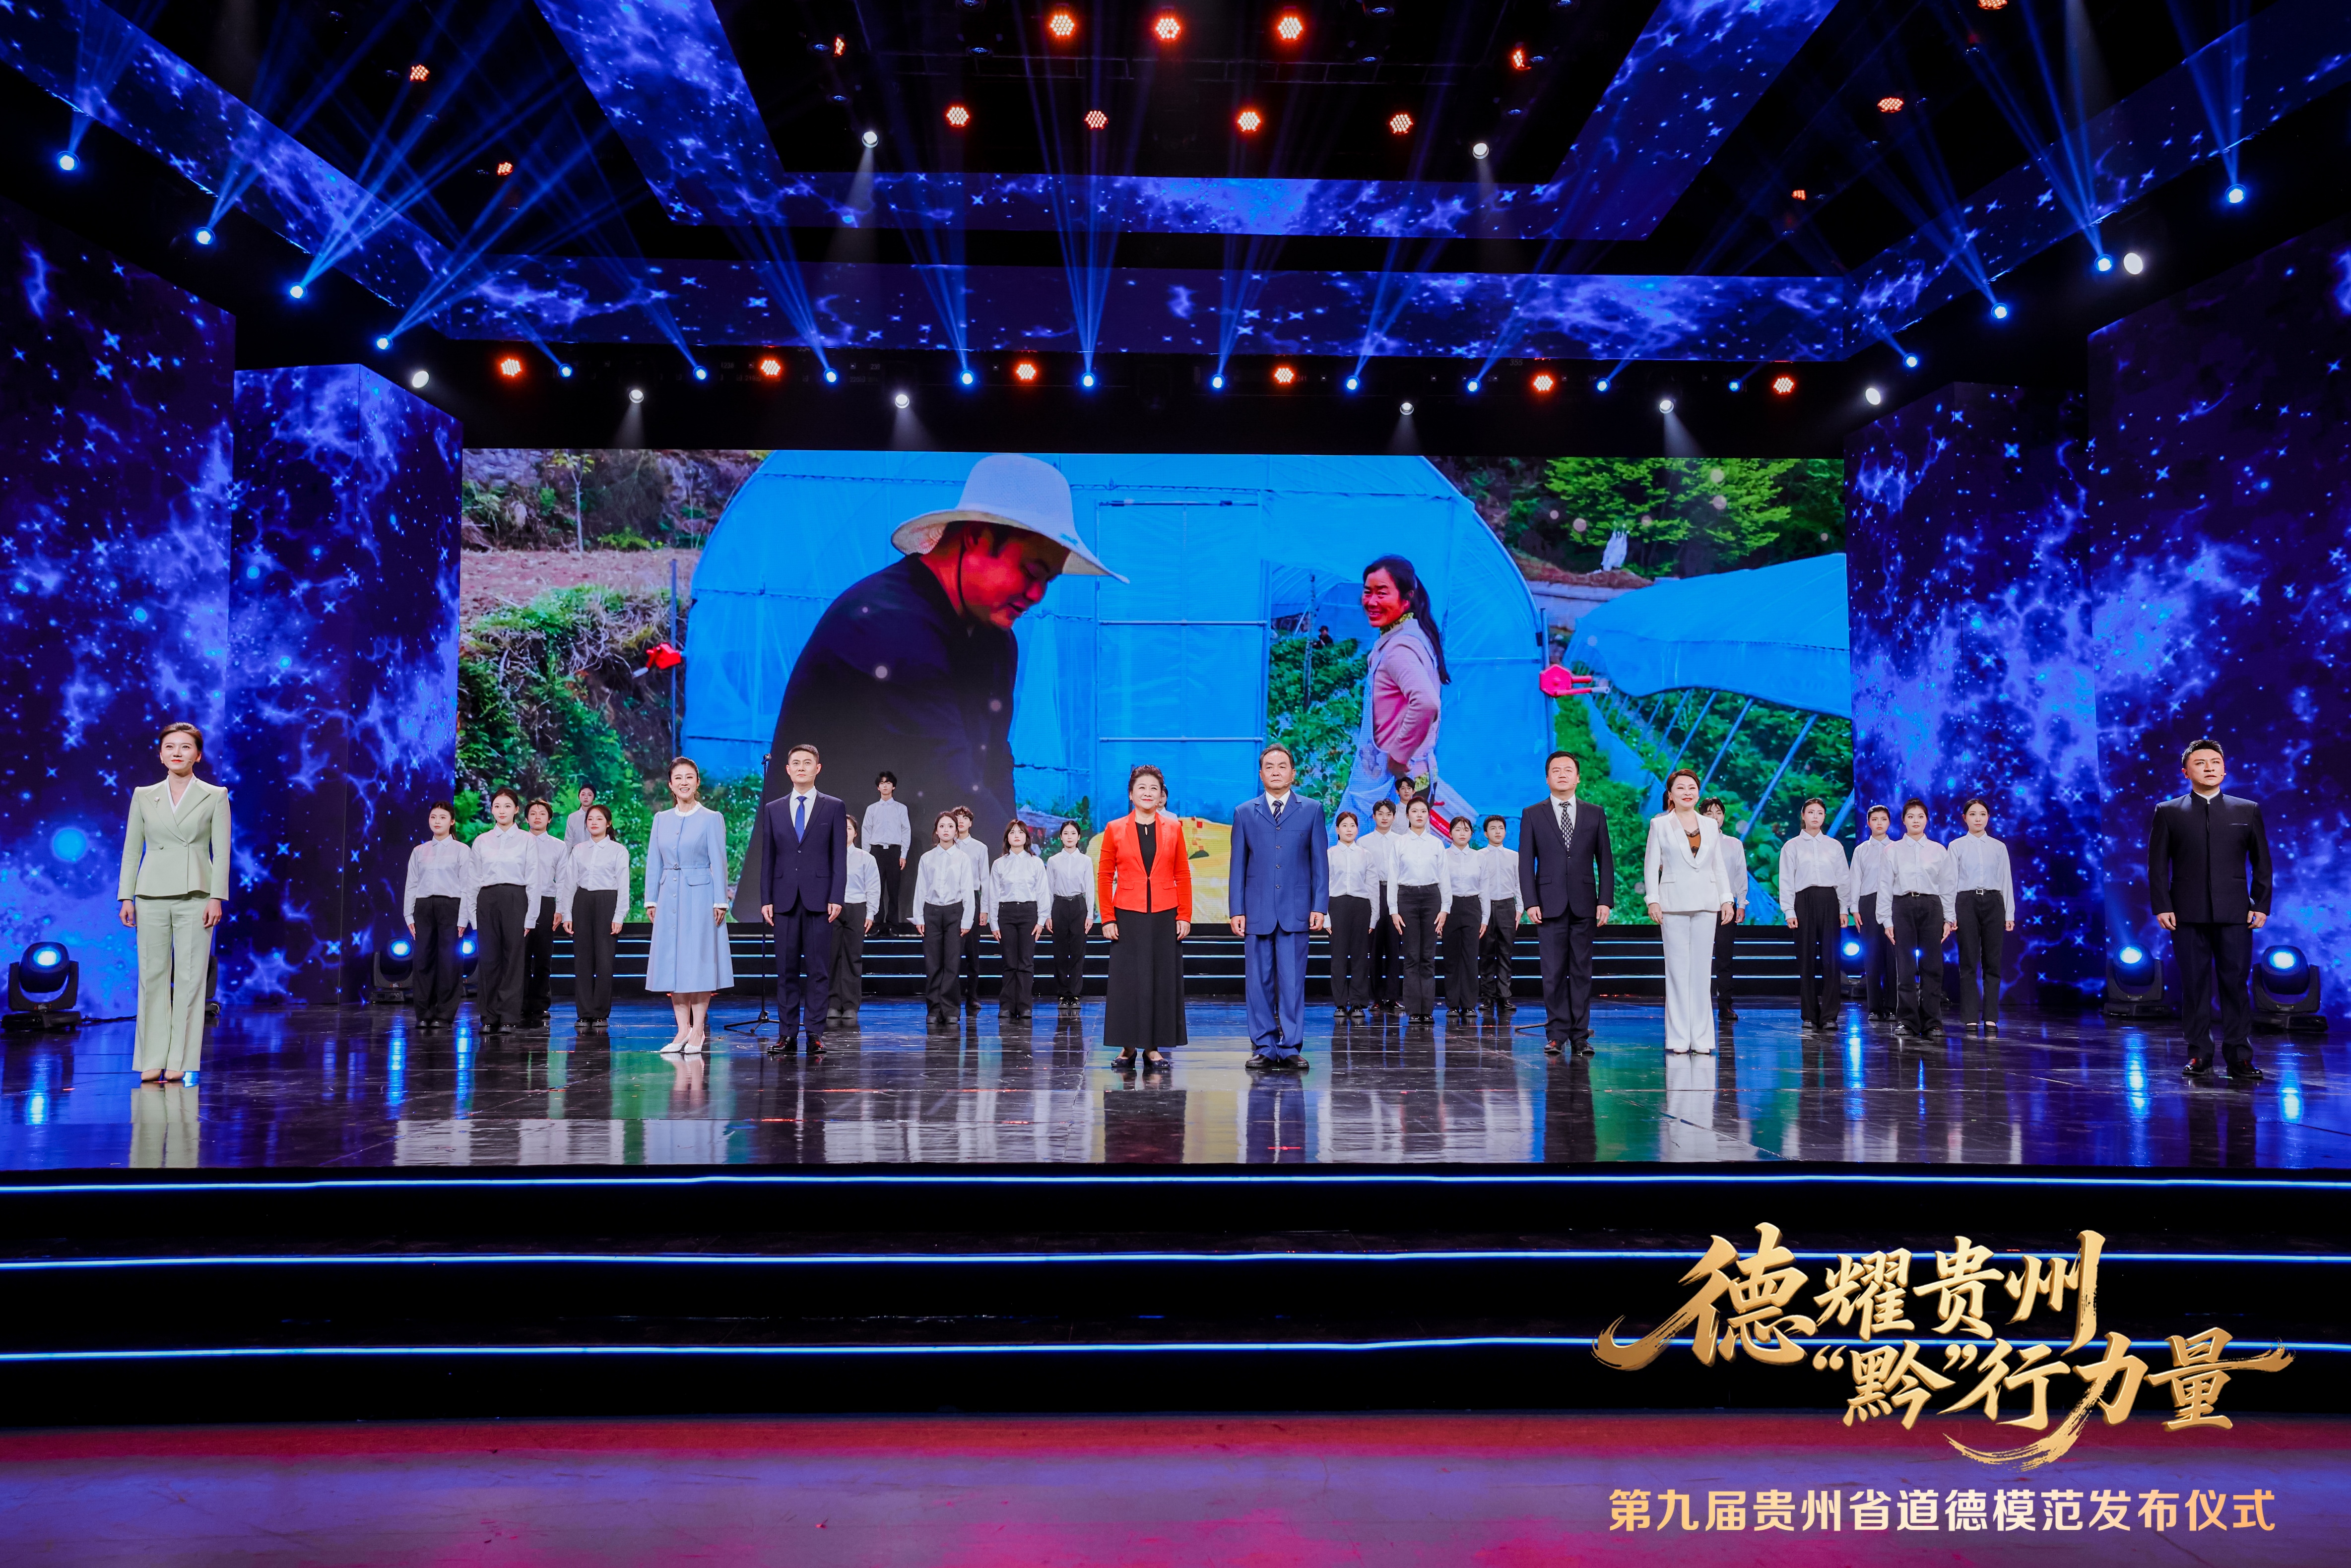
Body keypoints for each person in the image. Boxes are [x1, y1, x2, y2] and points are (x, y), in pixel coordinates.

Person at [743, 454, 1122, 918]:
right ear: (976, 537)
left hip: (920, 889)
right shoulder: (888, 625)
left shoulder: (996, 640)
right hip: (823, 893)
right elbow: (946, 776)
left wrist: (1010, 861)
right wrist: (1020, 880)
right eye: (1030, 570)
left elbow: (993, 762)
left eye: (1048, 579)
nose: (1037, 594)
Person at [2147, 739, 2272, 1081]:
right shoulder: (2168, 811)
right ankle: (2199, 1053)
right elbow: (2157, 865)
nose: (2209, 768)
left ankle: (2240, 1057)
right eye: (2200, 763)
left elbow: (2262, 863)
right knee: (2194, 985)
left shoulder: (2247, 809)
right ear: (2186, 772)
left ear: (2225, 769)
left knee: (2235, 984)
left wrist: (2261, 904)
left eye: (2215, 762)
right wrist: (2162, 905)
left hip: (2236, 913)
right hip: (2186, 914)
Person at [117, 721, 230, 1082]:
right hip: (150, 894)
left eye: (185, 747)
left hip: (197, 895)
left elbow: (221, 852)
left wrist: (217, 896)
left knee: (191, 979)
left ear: (198, 755)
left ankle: (179, 1058)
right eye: (170, 746)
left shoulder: (215, 795)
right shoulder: (143, 795)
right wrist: (126, 896)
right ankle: (151, 1058)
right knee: (152, 976)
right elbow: (132, 849)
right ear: (161, 754)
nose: (177, 752)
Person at [1339, 556, 1475, 831]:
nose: (1372, 602)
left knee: (1362, 852)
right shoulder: (1411, 635)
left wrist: (1399, 756)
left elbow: (1426, 703)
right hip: (1414, 775)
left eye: (1382, 593)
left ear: (1406, 598)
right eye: (1368, 592)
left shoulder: (1399, 648)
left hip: (1398, 781)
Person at [1228, 743, 1329, 1070]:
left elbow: (1320, 863)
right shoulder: (1245, 812)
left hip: (1296, 909)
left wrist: (1320, 905)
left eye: (1282, 766)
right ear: (1261, 774)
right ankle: (1264, 1046)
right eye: (1269, 767)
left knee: (1293, 982)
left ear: (1293, 773)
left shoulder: (1312, 810)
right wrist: (1236, 909)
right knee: (1258, 983)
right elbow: (1238, 866)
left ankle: (1290, 1047)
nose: (1275, 771)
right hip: (1256, 910)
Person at [1518, 750, 1615, 1058]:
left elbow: (1606, 860)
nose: (1562, 774)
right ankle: (1557, 1035)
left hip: (1585, 903)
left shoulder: (1594, 813)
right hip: (1548, 905)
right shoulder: (1533, 814)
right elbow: (1525, 863)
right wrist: (1530, 901)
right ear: (1547, 778)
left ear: (1578, 778)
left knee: (1582, 971)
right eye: (1556, 770)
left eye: (1568, 770)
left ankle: (1580, 1036)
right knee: (1553, 972)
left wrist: (1605, 900)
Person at [1098, 763, 1193, 1072]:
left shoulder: (1174, 828)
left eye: (1154, 788)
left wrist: (1185, 914)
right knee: (1127, 982)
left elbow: (1183, 873)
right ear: (1131, 794)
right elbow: (1105, 875)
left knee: (1160, 980)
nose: (1148, 793)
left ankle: (1153, 1047)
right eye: (1142, 788)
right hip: (1127, 914)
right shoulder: (1115, 829)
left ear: (1161, 795)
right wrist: (1108, 918)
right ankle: (1128, 1047)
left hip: (1165, 914)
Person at [760, 743, 849, 1057]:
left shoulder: (833, 807)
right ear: (788, 770)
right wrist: (766, 898)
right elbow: (768, 857)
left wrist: (837, 895)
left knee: (818, 970)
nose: (801, 767)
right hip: (783, 899)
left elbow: (839, 857)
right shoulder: (773, 809)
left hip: (820, 900)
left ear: (817, 768)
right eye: (795, 763)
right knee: (785, 970)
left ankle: (815, 1033)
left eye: (807, 762)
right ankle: (787, 1034)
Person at [1643, 768, 1740, 1056]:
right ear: (1671, 794)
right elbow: (1651, 865)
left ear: (1698, 793)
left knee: (1701, 971)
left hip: (1707, 903)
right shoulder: (1660, 824)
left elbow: (1718, 866)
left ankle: (1701, 1037)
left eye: (1692, 788)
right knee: (1676, 971)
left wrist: (1726, 900)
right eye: (1681, 788)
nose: (1687, 792)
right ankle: (1678, 1037)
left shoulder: (1709, 825)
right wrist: (1653, 900)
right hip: (1673, 903)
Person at [646, 756, 733, 1054]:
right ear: (671, 785)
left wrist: (720, 899)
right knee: (673, 962)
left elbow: (719, 861)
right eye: (678, 778)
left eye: (689, 777)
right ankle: (682, 1030)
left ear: (697, 782)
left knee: (698, 961)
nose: (684, 783)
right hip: (669, 894)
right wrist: (651, 898)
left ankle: (698, 1031)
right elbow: (654, 861)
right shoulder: (661, 819)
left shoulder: (711, 818)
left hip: (700, 895)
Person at [1875, 799, 1956, 1038]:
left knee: (1933, 966)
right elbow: (1884, 887)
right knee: (1906, 966)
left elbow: (1948, 886)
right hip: (1903, 906)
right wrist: (1886, 920)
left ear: (1927, 820)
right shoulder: (1892, 851)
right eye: (1911, 816)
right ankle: (1908, 1021)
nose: (1916, 821)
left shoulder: (1939, 851)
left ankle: (1932, 1021)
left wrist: (1949, 918)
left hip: (1932, 906)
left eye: (1920, 816)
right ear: (1904, 821)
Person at [470, 787, 547, 1037]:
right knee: (489, 959)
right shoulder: (482, 841)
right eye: (497, 806)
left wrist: (531, 916)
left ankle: (508, 1016)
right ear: (492, 810)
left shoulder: (527, 840)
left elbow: (534, 880)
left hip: (516, 898)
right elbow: (472, 881)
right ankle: (489, 1015)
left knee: (513, 959)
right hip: (487, 899)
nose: (501, 811)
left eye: (507, 806)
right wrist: (473, 915)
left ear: (516, 810)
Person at [1778, 797, 1851, 1033]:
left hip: (1829, 900)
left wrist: (1844, 908)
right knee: (1806, 959)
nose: (1816, 817)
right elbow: (1786, 880)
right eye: (1811, 812)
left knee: (1831, 960)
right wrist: (1789, 910)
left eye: (1820, 813)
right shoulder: (1792, 846)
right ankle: (1809, 1014)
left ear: (1824, 817)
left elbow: (1843, 879)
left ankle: (1830, 1016)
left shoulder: (1834, 846)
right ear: (1803, 815)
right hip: (1803, 901)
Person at [403, 802, 475, 1030]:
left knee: (449, 961)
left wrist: (464, 918)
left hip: (451, 906)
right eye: (434, 817)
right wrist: (409, 915)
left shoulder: (462, 850)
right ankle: (424, 1013)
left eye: (443, 818)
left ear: (452, 822)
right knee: (423, 959)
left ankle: (444, 1014)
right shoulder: (420, 851)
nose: (437, 821)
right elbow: (411, 884)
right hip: (424, 907)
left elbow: (467, 886)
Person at [557, 803, 628, 1032]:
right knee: (583, 960)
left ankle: (600, 1013)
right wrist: (567, 913)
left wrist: (619, 915)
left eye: (599, 819)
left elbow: (624, 886)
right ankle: (585, 1013)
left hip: (607, 902)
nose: (594, 823)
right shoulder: (579, 850)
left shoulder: (618, 850)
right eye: (590, 819)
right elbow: (569, 884)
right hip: (582, 902)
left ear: (608, 823)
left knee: (605, 960)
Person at [1950, 797, 2017, 1036]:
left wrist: (2009, 913)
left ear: (1988, 818)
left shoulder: (1998, 847)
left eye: (1982, 814)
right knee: (1968, 961)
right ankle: (1970, 1016)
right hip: (1966, 901)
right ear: (1964, 818)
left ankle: (1991, 1017)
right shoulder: (1956, 846)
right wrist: (1950, 914)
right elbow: (1950, 882)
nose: (1978, 819)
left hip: (1993, 902)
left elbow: (2006, 880)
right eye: (1973, 814)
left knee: (1993, 962)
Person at [1384, 796, 1451, 1028]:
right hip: (1407, 898)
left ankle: (1427, 1010)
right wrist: (1394, 910)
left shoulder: (1436, 844)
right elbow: (1393, 877)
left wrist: (1445, 908)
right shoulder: (1400, 843)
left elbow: (1444, 878)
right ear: (1408, 815)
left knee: (1428, 957)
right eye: (1415, 811)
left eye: (1424, 811)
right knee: (1412, 956)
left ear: (1428, 815)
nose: (1419, 815)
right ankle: (1414, 1010)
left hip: (1432, 898)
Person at [914, 810, 979, 1027]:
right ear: (936, 830)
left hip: (954, 913)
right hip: (932, 913)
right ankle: (934, 1009)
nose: (946, 830)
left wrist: (967, 920)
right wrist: (919, 917)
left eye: (951, 826)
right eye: (942, 826)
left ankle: (951, 1009)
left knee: (952, 963)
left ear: (956, 830)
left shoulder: (963, 858)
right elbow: (920, 889)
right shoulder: (927, 858)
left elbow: (968, 891)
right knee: (933, 964)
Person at [985, 820, 1048, 1022]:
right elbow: (993, 895)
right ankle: (1007, 1006)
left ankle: (1024, 1006)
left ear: (1026, 838)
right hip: (1007, 913)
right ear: (1007, 838)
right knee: (1009, 962)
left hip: (1029, 913)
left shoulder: (1036, 862)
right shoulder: (999, 864)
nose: (1016, 836)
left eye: (1021, 833)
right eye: (1012, 833)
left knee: (1026, 962)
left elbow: (1043, 893)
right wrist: (994, 923)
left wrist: (1041, 920)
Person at [829, 814, 880, 1030]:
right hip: (831, 908)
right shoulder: (827, 856)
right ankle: (833, 1003)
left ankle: (850, 1005)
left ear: (856, 833)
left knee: (852, 957)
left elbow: (874, 887)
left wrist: (871, 913)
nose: (845, 832)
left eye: (849, 829)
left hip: (857, 908)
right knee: (831, 957)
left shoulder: (865, 858)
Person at [1325, 810, 1376, 1022]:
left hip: (1361, 906)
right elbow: (1323, 886)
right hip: (1336, 906)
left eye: (1353, 826)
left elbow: (1373, 888)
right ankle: (1340, 1003)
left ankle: (1358, 1003)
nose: (1349, 829)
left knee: (1360, 957)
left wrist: (1374, 917)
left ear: (1358, 829)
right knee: (1338, 958)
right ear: (1337, 830)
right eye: (1345, 826)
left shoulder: (1366, 855)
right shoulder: (1329, 854)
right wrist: (1325, 916)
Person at [1699, 798, 1748, 1022]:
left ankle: (1725, 1005)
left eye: (1718, 812)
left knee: (1724, 958)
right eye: (1709, 813)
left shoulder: (1733, 844)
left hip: (1726, 906)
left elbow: (1740, 875)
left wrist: (1741, 903)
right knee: (1699, 958)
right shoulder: (1693, 842)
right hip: (1699, 904)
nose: (1715, 817)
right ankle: (1698, 1006)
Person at [521, 800, 568, 1027]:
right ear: (526, 818)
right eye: (533, 813)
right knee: (520, 956)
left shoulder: (559, 846)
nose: (537, 817)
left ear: (550, 819)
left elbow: (563, 880)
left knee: (542, 956)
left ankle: (539, 1004)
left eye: (542, 814)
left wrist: (560, 909)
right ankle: (520, 1003)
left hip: (546, 902)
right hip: (520, 901)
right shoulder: (518, 843)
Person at [1850, 805, 1897, 1018]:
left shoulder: (1897, 848)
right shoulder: (1861, 850)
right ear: (1868, 823)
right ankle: (1876, 1009)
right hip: (1868, 903)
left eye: (1884, 819)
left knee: (1894, 956)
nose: (1880, 823)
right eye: (1875, 819)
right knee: (1871, 956)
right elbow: (1855, 880)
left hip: (1894, 903)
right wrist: (1854, 908)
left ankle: (1894, 1006)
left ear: (1889, 823)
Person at [1044, 821, 1096, 1008]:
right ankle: (1062, 994)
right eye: (1066, 833)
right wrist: (1048, 915)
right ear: (1061, 837)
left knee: (1077, 952)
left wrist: (1090, 915)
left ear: (1079, 837)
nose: (1069, 837)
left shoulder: (1086, 861)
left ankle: (1074, 995)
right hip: (1059, 905)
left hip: (1078, 906)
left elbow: (1090, 888)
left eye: (1073, 833)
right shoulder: (1053, 861)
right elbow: (1048, 889)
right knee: (1059, 952)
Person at [1439, 814, 1486, 1021]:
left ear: (1471, 834)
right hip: (1450, 907)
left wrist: (1485, 918)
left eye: (1466, 830)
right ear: (1450, 833)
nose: (1462, 833)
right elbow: (1439, 886)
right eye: (1458, 829)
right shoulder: (1443, 856)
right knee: (1451, 958)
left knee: (1470, 958)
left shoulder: (1479, 857)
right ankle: (1452, 1004)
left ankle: (1468, 1005)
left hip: (1472, 907)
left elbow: (1485, 889)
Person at [1363, 799, 1404, 1015]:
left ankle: (1393, 997)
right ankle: (1378, 998)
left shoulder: (1401, 841)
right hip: (1373, 893)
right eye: (1381, 814)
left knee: (1394, 949)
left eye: (1389, 814)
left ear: (1394, 817)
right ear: (1374, 816)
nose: (1385, 818)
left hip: (1396, 893)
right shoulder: (1363, 842)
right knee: (1375, 949)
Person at [1477, 816, 1520, 1019]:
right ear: (1486, 833)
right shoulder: (1479, 856)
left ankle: (1504, 996)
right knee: (1486, 954)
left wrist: (1520, 909)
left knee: (1505, 953)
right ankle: (1487, 997)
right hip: (1485, 907)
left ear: (1505, 832)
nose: (1497, 832)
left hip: (1507, 906)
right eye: (1493, 829)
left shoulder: (1514, 856)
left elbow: (1519, 884)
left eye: (1501, 828)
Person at [951, 806, 991, 1011]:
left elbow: (985, 879)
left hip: (973, 898)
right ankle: (951, 996)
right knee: (952, 950)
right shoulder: (947, 846)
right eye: (957, 818)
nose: (961, 821)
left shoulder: (980, 848)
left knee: (972, 951)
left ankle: (972, 996)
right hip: (952, 899)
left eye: (965, 818)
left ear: (971, 823)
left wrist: (984, 909)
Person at [863, 771, 912, 935]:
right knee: (876, 889)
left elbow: (906, 831)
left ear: (894, 786)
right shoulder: (872, 809)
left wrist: (903, 854)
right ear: (878, 787)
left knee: (893, 890)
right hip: (876, 852)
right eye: (882, 783)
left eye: (888, 783)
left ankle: (893, 925)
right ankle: (876, 924)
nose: (885, 786)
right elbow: (866, 831)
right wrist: (867, 855)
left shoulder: (901, 809)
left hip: (894, 852)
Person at [563, 785, 596, 849]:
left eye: (589, 795)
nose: (586, 797)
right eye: (583, 795)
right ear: (579, 797)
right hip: (577, 852)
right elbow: (569, 840)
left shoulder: (598, 816)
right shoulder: (572, 817)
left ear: (594, 798)